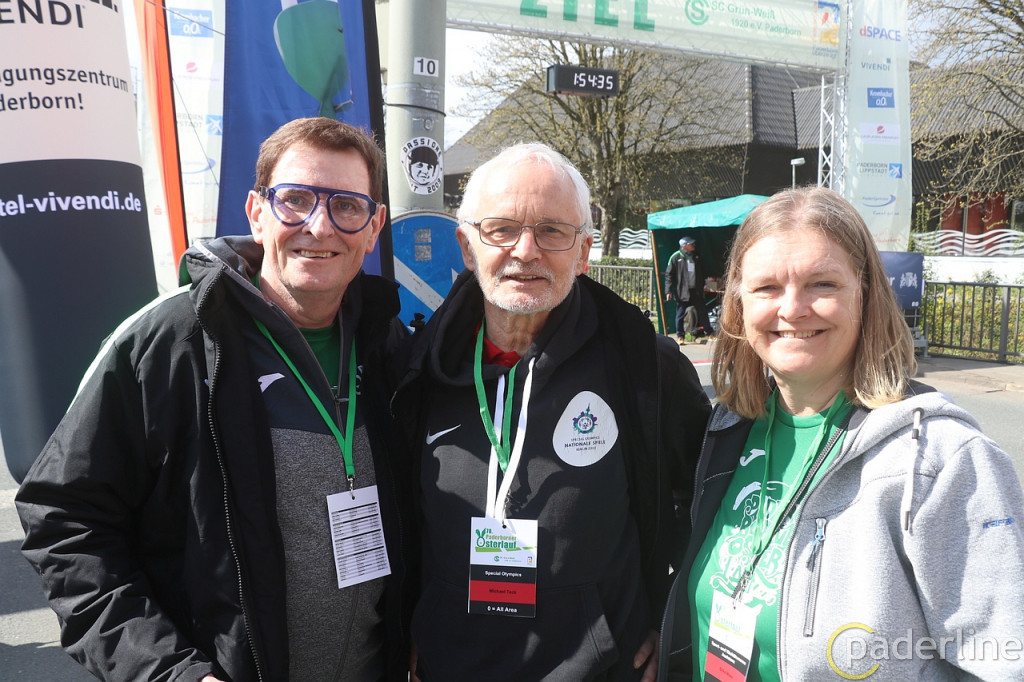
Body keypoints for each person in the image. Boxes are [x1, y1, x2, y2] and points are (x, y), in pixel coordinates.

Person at [16, 117, 413, 682]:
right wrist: (167, 669)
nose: (319, 225)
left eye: (347, 206)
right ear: (257, 212)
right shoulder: (169, 341)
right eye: (295, 199)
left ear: (373, 228)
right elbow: (66, 521)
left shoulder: (388, 344)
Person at [658, 187, 1024, 681]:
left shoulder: (943, 461)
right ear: (738, 304)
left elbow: (1003, 662)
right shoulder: (728, 429)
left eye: (822, 284)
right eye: (767, 287)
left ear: (866, 295)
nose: (793, 309)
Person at [393, 143, 711, 681]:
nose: (526, 251)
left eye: (552, 231)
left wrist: (670, 614)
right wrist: (410, 623)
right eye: (501, 229)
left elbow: (706, 498)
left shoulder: (643, 365)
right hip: (451, 666)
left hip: (599, 669)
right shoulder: (416, 370)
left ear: (584, 252)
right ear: (466, 247)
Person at [664, 236, 711, 340]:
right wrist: (668, 291)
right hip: (682, 291)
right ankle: (680, 336)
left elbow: (703, 271)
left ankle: (709, 332)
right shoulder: (675, 257)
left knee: (702, 311)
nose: (694, 245)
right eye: (691, 244)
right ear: (684, 246)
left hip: (696, 290)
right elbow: (668, 275)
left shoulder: (697, 256)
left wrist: (705, 284)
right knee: (680, 314)